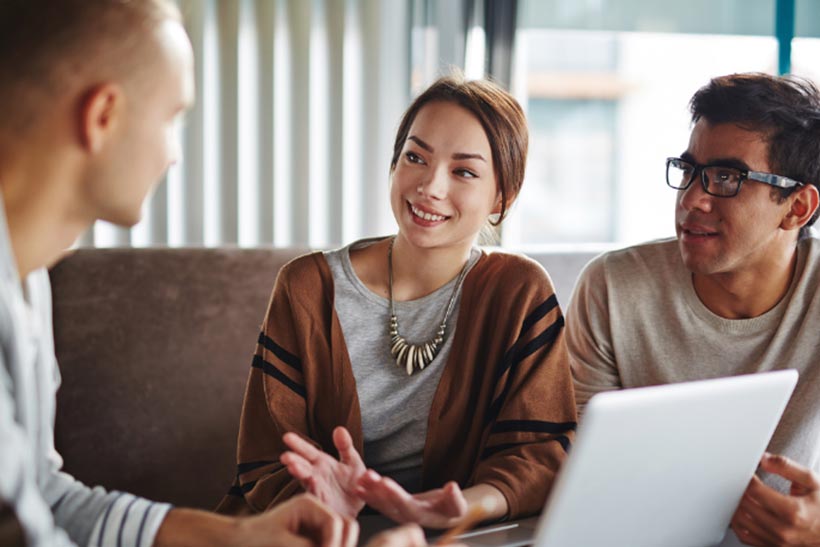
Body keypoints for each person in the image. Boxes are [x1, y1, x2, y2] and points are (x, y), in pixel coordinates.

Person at [0, 1, 425, 546]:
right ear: (102, 116)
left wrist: (237, 538)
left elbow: (43, 496)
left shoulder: (26, 280)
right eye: (171, 117)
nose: (174, 154)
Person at [217, 75, 577, 529]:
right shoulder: (307, 286)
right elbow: (265, 456)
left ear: (502, 195)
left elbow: (540, 456)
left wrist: (462, 508)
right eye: (415, 157)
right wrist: (327, 506)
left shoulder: (519, 292)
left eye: (463, 171)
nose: (430, 186)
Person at [565, 72, 820, 546]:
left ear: (797, 207)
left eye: (727, 177)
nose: (692, 199)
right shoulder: (612, 288)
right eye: (689, 171)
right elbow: (579, 466)